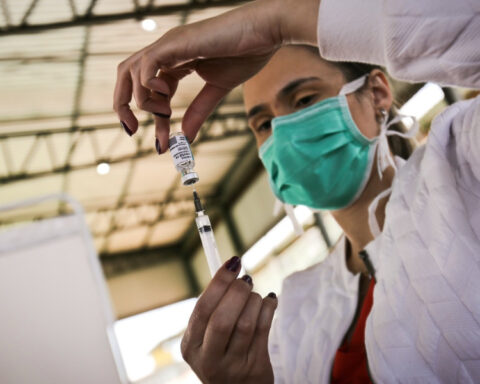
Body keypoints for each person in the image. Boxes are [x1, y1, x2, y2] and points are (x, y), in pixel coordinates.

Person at [113, 0, 480, 382]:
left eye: (304, 100)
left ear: (377, 93)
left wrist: (274, 23)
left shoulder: (463, 174)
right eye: (264, 123)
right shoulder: (298, 311)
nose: (285, 134)